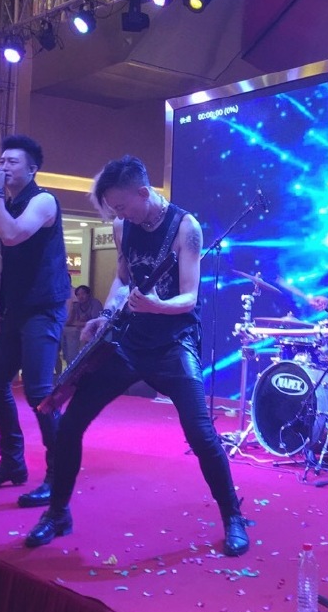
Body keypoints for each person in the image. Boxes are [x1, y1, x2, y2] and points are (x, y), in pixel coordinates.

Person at [24, 155, 250, 557]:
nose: (119, 214)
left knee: (201, 434)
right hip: (128, 342)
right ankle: (57, 513)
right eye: (114, 208)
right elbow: (122, 279)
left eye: (123, 206)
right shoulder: (121, 225)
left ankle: (232, 514)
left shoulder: (186, 227)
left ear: (144, 193)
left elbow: (189, 298)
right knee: (70, 423)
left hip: (173, 343)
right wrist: (107, 313)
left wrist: (157, 306)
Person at [0, 134, 70, 509]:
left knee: (40, 394)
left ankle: (58, 476)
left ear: (32, 169)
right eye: (1, 161)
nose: (3, 166)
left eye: (12, 162)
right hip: (16, 310)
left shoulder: (43, 200)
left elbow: (11, 236)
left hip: (44, 308)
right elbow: (11, 266)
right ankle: (12, 462)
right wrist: (0, 310)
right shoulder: (9, 203)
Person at [62, 284, 101, 369]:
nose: (80, 296)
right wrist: (72, 310)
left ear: (88, 294)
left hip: (95, 332)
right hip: (82, 331)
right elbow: (71, 322)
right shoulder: (77, 305)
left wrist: (80, 323)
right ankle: (70, 364)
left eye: (83, 293)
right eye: (78, 294)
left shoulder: (95, 303)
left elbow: (95, 322)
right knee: (66, 332)